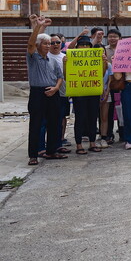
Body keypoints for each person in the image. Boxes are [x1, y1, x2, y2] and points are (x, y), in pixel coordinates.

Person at [25, 15, 65, 165]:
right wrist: (37, 26)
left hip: (53, 93)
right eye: (45, 43)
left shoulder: (52, 61)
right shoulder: (33, 58)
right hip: (37, 94)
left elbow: (60, 77)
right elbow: (30, 44)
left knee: (54, 123)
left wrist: (56, 88)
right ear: (39, 45)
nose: (48, 46)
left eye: (50, 43)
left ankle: (52, 151)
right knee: (36, 124)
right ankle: (33, 155)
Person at [68, 36, 105, 154]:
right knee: (80, 118)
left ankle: (92, 143)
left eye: (87, 45)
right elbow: (66, 75)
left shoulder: (96, 57)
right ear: (77, 46)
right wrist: (65, 63)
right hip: (78, 93)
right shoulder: (71, 58)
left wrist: (104, 62)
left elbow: (101, 73)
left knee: (93, 118)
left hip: (93, 92)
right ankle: (79, 145)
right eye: (81, 44)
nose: (84, 47)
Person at [100, 28, 122, 145]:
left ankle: (122, 133)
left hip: (120, 83)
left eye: (115, 36)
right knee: (107, 112)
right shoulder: (104, 50)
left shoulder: (124, 49)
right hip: (107, 84)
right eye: (110, 36)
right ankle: (108, 134)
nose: (112, 38)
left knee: (120, 110)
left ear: (120, 38)